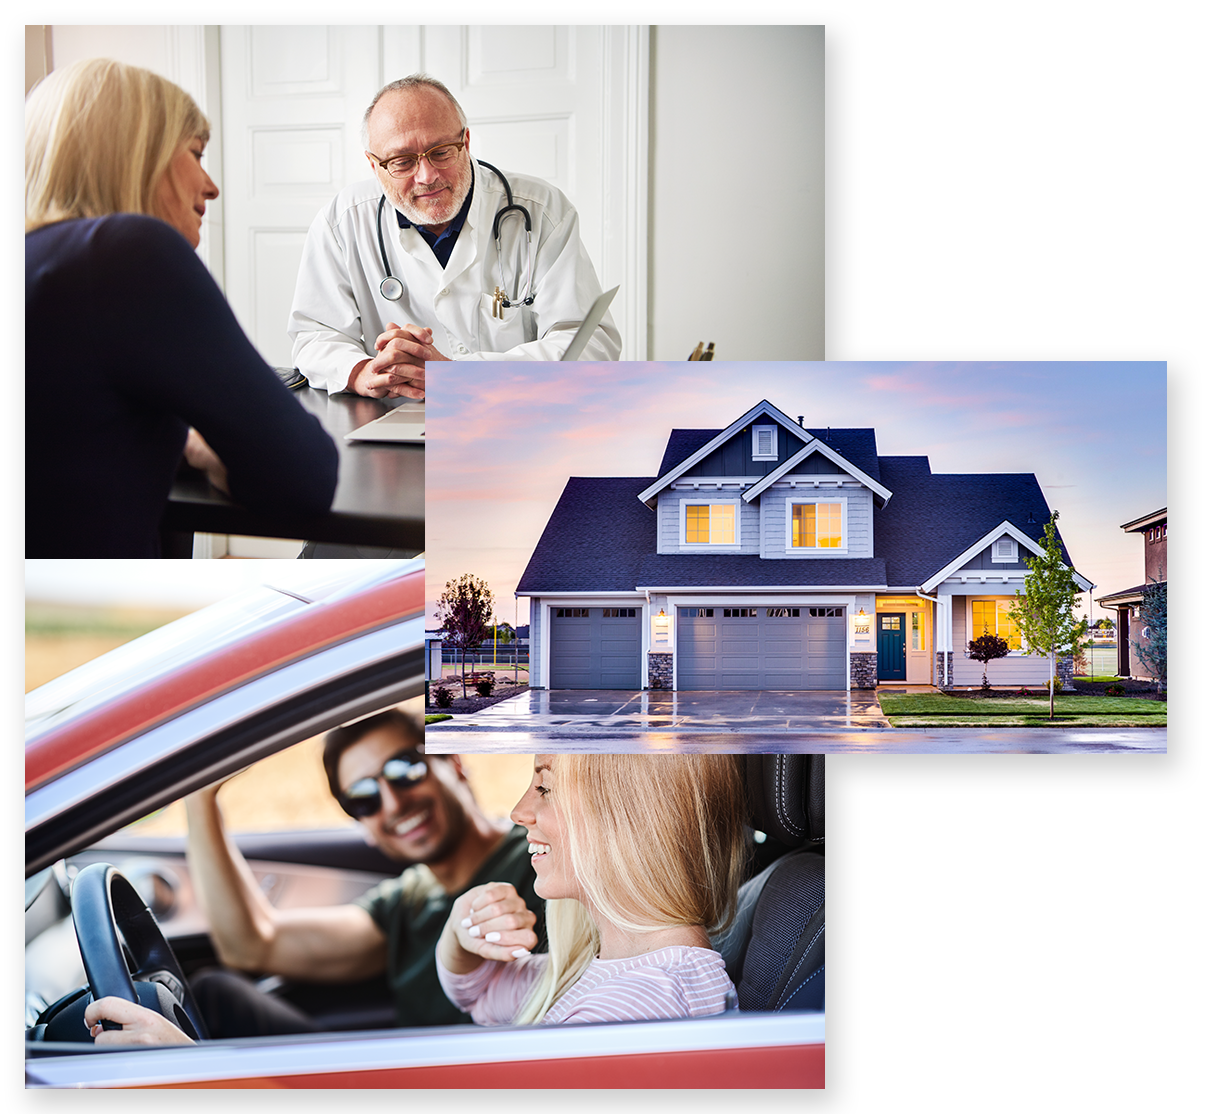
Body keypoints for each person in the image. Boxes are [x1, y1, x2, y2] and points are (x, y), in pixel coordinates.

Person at [25, 58, 339, 558]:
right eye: (196, 153)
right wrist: (199, 449)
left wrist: (181, 445)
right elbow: (304, 477)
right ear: (135, 152)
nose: (211, 185)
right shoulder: (125, 252)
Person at [84, 709, 545, 1046]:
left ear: (455, 762)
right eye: (364, 798)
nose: (393, 803)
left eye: (405, 769)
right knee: (214, 993)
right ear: (361, 824)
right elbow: (253, 944)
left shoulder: (542, 862)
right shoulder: (407, 901)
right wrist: (201, 799)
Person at [288, 74, 621, 399]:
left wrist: (457, 375)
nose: (427, 175)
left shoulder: (542, 209)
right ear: (374, 166)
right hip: (393, 421)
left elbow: (589, 342)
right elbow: (315, 334)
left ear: (466, 142)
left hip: (516, 411)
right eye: (403, 162)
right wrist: (363, 372)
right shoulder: (342, 222)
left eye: (441, 151)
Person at [436, 754, 748, 1025]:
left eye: (546, 788)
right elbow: (480, 994)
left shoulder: (636, 1008)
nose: (518, 812)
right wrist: (462, 924)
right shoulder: (597, 973)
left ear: (631, 815)